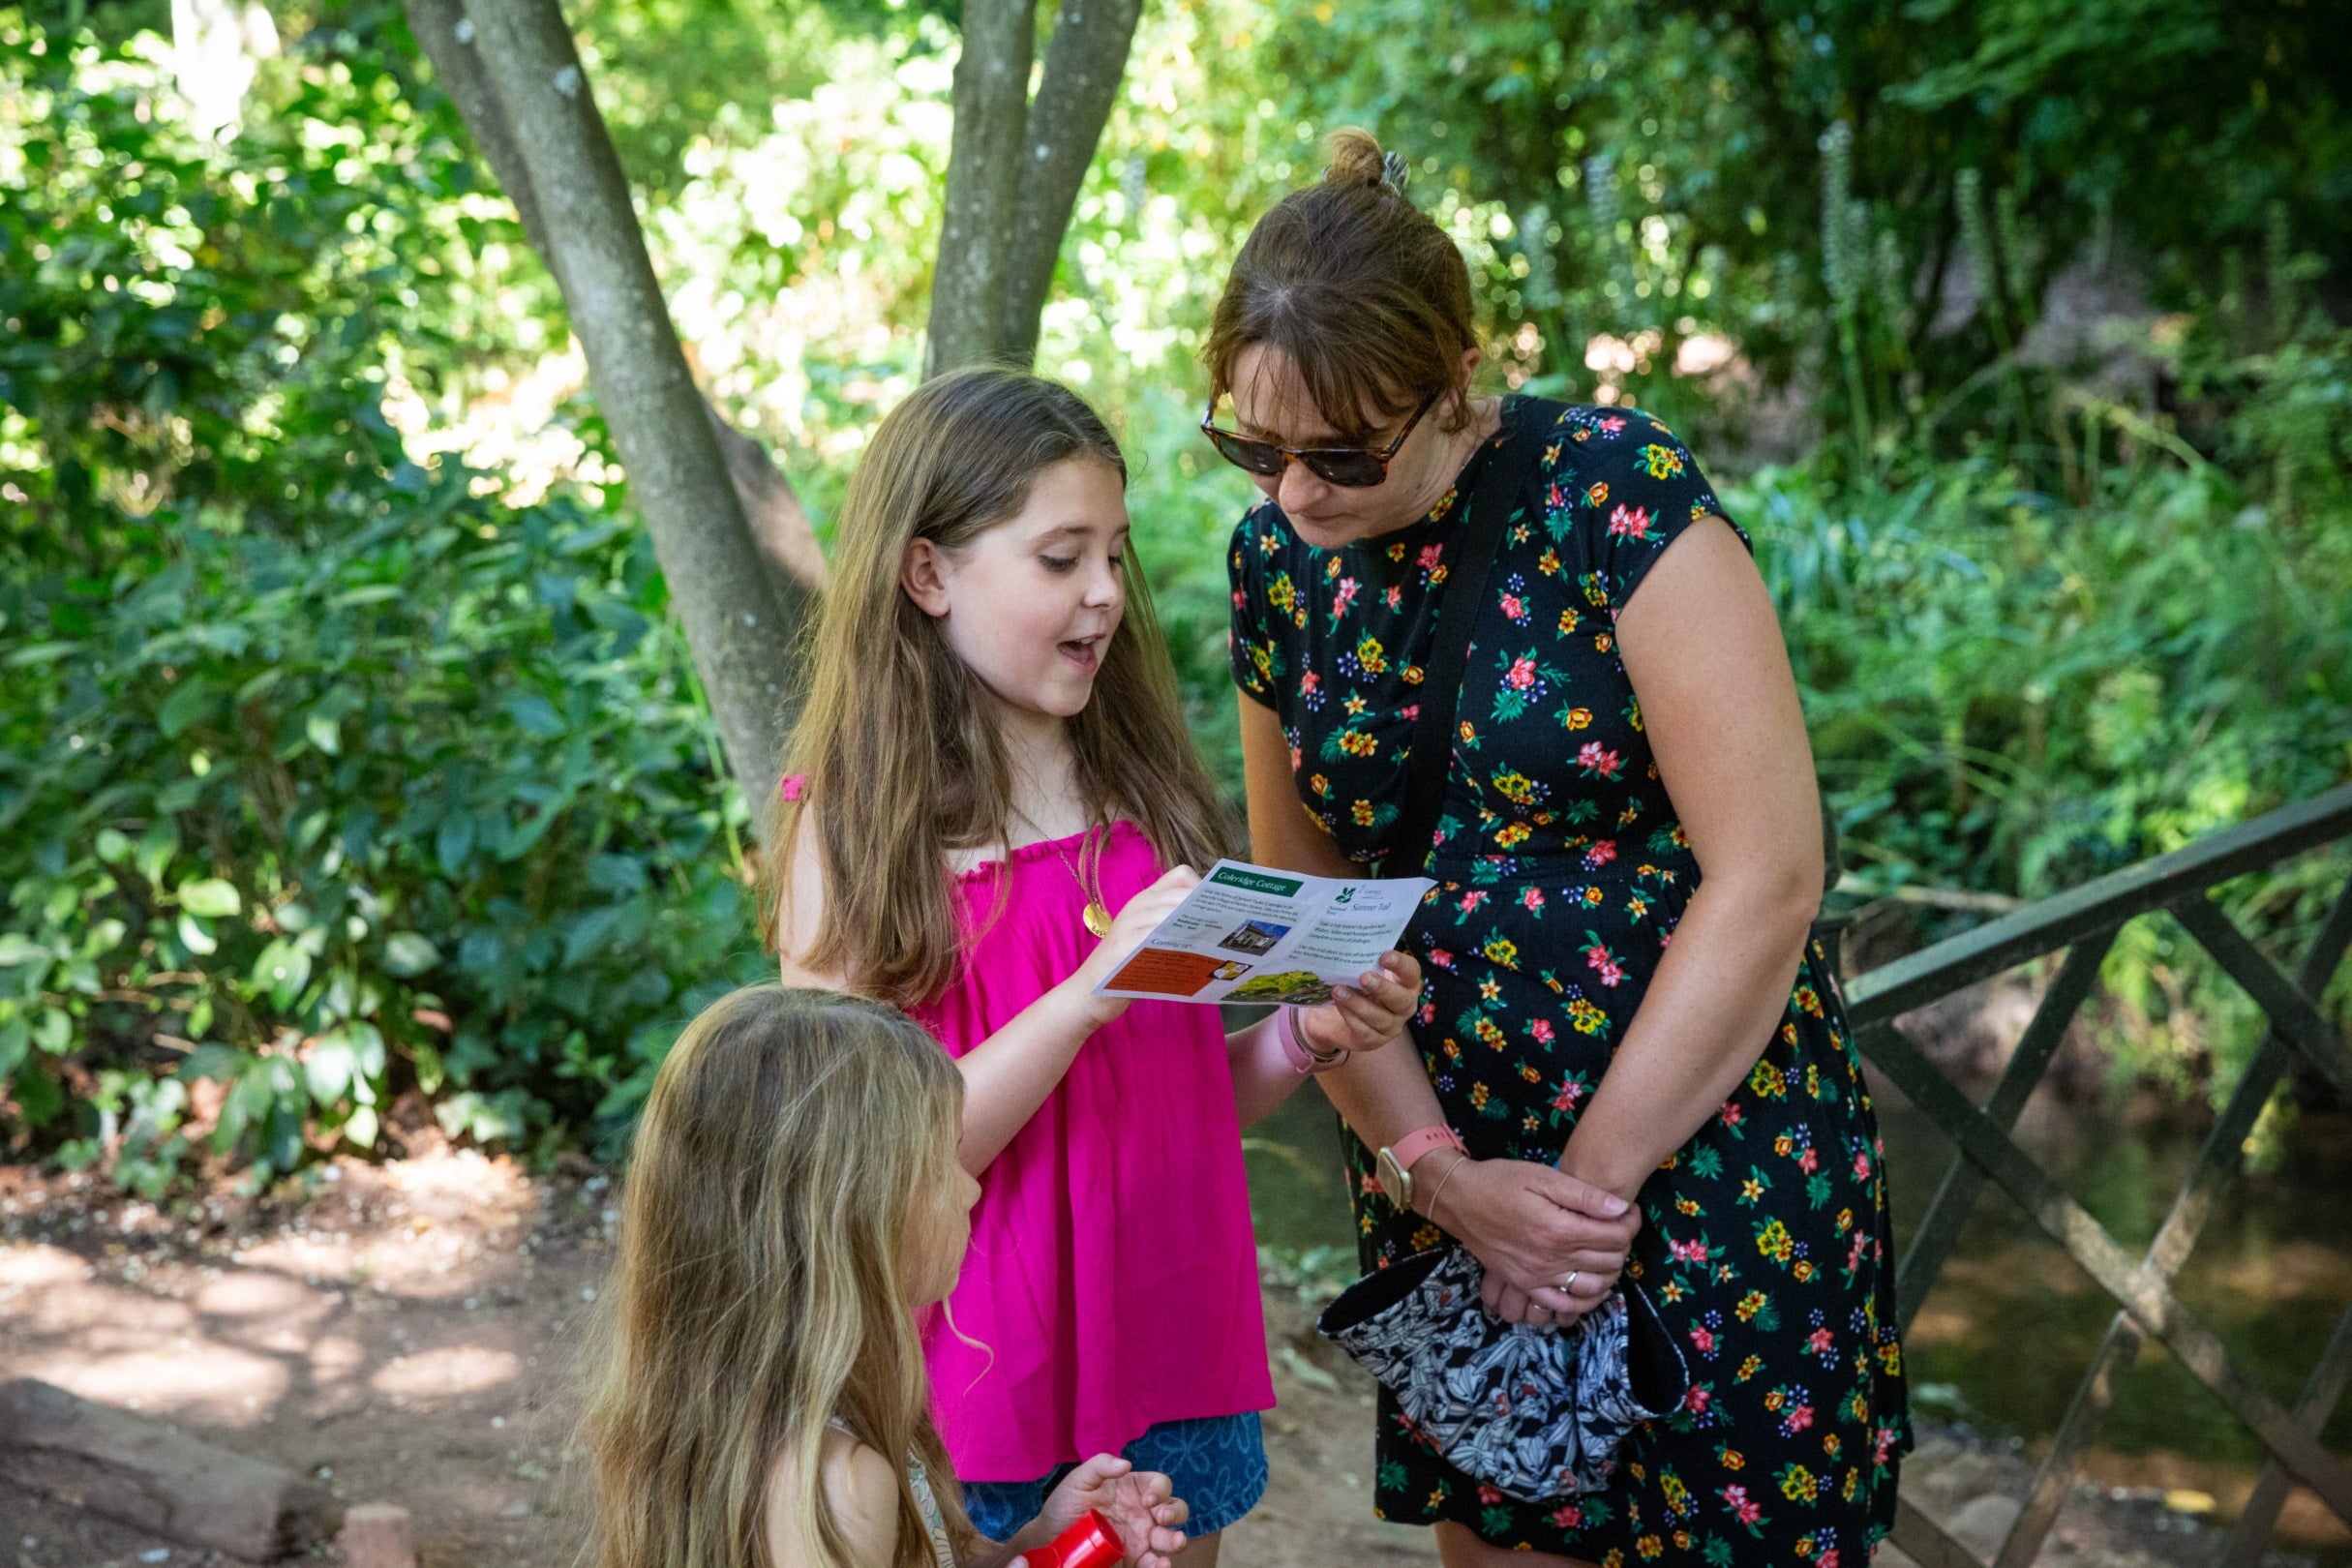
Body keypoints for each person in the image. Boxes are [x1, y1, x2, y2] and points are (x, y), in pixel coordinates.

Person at [1211, 130, 1912, 1567]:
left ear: (1458, 375)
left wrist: (1578, 1207)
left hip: (1700, 1157)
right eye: (1251, 446)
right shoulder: (1272, 563)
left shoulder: (1611, 491)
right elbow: (1306, 915)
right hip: (1445, 1167)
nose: (1293, 493)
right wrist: (1440, 1177)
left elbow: (1768, 872)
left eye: (1342, 452)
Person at [760, 368, 1425, 1564]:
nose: (1108, 594)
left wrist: (1305, 1036)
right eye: (1061, 558)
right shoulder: (848, 831)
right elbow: (870, 1166)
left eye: (1114, 554)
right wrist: (1090, 992)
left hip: (1173, 1335)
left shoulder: (1140, 795)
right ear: (927, 574)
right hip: (979, 1380)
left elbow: (1172, 1098)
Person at [574, 984, 1194, 1568]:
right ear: (851, 1216)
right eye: (941, 1162)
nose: (970, 1187)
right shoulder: (837, 1489)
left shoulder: (736, 1408)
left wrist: (1041, 1544)